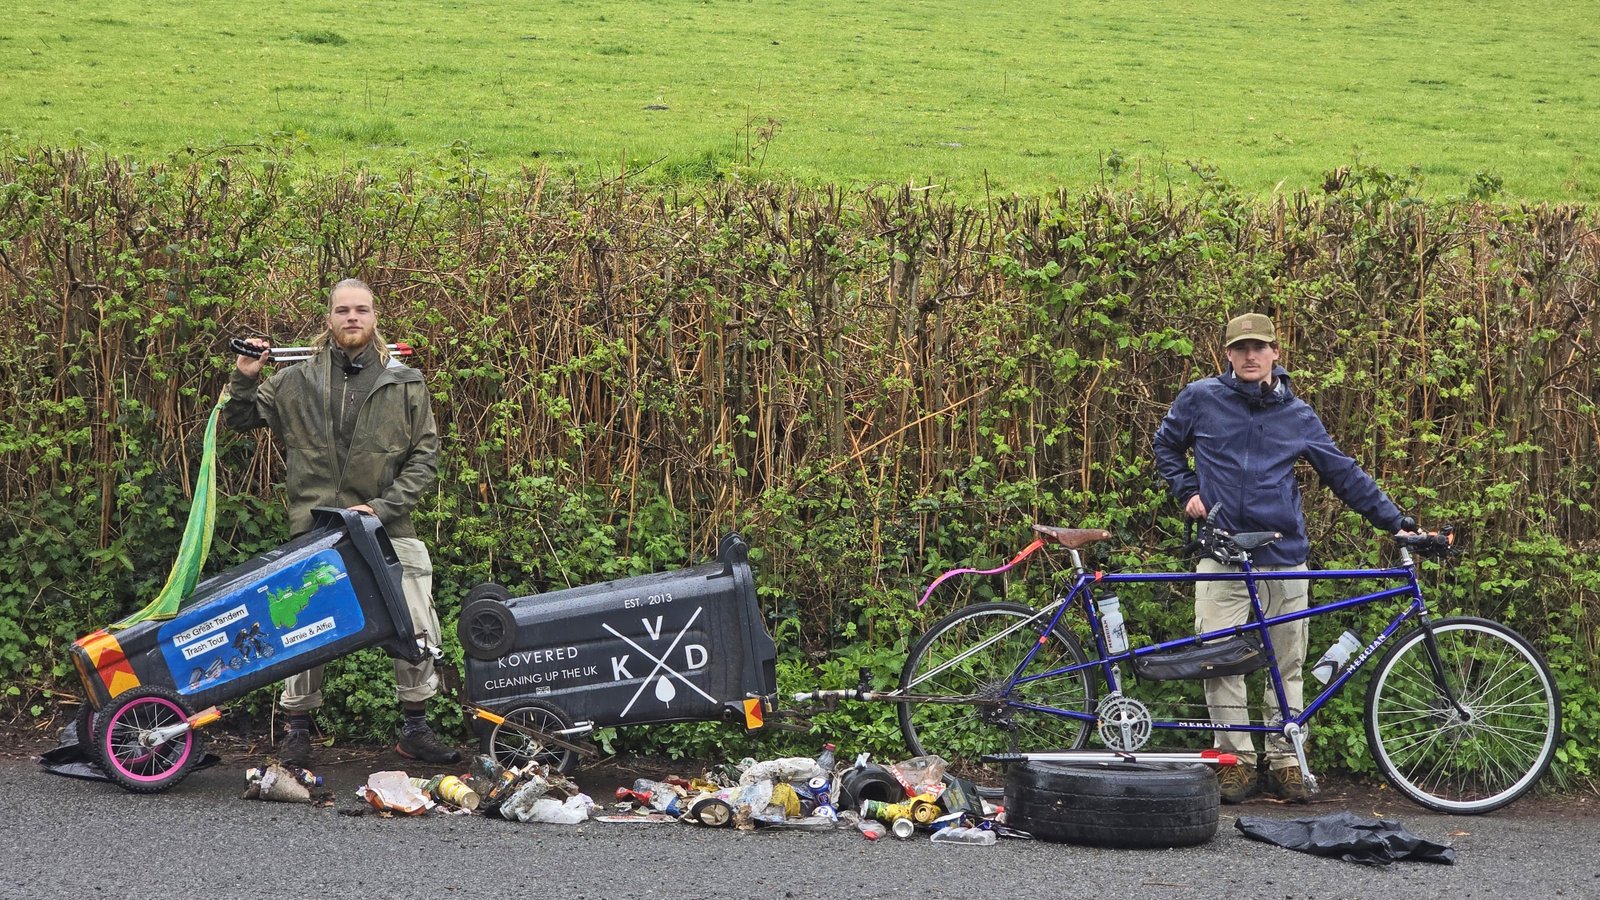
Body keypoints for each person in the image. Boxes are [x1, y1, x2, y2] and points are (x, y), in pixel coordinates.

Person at [1152, 312, 1406, 803]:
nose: (1250, 356)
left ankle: (1286, 760)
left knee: (1285, 662)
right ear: (1227, 353)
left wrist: (1398, 523)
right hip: (1221, 552)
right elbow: (1166, 444)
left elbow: (1344, 474)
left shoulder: (1297, 415)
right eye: (1241, 347)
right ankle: (1235, 762)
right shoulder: (1201, 399)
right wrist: (1186, 489)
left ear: (1275, 353)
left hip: (1282, 554)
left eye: (1259, 347)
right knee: (1218, 660)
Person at [226, 278, 460, 766]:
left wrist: (382, 508)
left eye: (361, 310)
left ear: (375, 319)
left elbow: (425, 458)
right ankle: (296, 731)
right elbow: (239, 419)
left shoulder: (405, 382)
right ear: (329, 320)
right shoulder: (295, 381)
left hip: (388, 528)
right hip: (316, 530)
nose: (352, 318)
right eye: (342, 310)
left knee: (416, 624)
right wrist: (245, 373)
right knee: (301, 625)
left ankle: (415, 728)